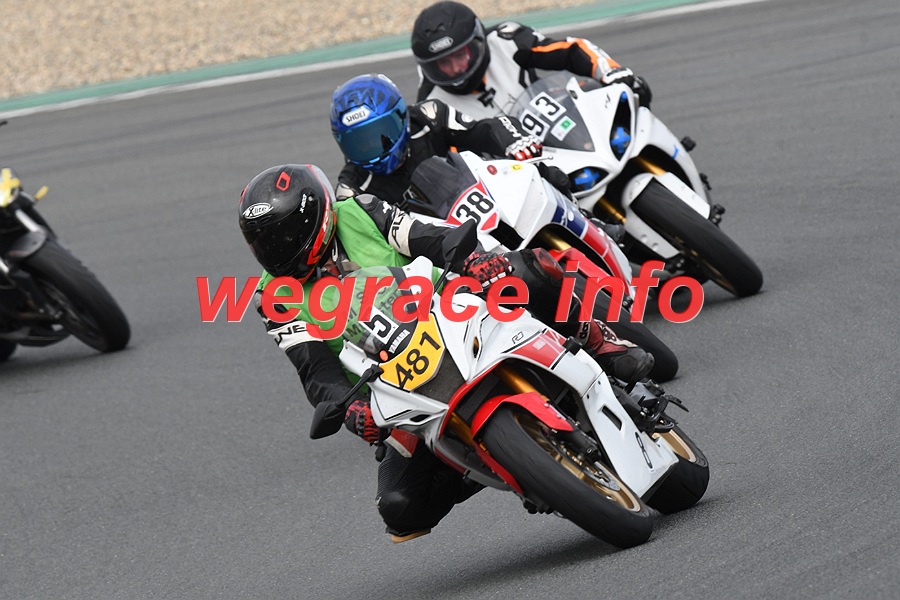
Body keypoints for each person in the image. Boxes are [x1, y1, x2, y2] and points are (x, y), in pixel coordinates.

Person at [238, 163, 654, 542]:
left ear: (316, 218)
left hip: (448, 305)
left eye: (282, 236)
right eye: (261, 243)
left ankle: (591, 335)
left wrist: (473, 260)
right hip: (395, 386)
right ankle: (493, 462)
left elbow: (427, 235)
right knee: (400, 508)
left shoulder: (360, 210)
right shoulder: (272, 298)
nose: (274, 250)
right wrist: (350, 411)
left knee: (529, 270)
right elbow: (315, 370)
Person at [329, 72, 552, 205]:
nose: (372, 146)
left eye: (380, 135)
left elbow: (484, 129)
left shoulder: (429, 117)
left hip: (478, 203)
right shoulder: (351, 189)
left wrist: (513, 140)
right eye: (360, 142)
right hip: (429, 258)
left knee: (551, 176)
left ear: (400, 116)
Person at [411, 1, 652, 120]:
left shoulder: (507, 41)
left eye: (459, 56)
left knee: (632, 93)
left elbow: (571, 50)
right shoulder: (431, 104)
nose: (456, 69)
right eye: (444, 63)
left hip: (557, 129)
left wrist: (610, 72)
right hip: (515, 179)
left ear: (477, 43)